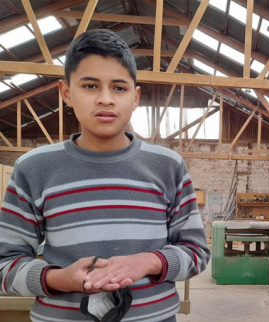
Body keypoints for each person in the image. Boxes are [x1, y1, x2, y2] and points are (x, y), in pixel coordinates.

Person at [0, 29, 210, 322]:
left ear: (135, 97)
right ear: (66, 93)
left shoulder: (168, 166)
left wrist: (148, 261)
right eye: (90, 86)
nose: (106, 99)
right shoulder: (34, 169)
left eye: (119, 88)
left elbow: (197, 252)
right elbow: (5, 263)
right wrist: (58, 279)